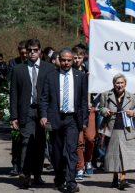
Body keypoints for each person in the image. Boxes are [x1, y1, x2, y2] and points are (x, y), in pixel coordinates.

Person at [39, 48, 88, 193]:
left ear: (72, 60)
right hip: (55, 118)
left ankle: (71, 182)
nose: (66, 63)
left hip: (73, 118)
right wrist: (43, 115)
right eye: (64, 60)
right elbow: (44, 99)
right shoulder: (51, 76)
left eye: (69, 60)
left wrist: (84, 120)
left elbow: (84, 101)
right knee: (56, 152)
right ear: (59, 60)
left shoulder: (80, 76)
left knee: (72, 150)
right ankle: (59, 178)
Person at [10, 39, 55, 188]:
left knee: (41, 144)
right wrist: (14, 116)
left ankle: (38, 175)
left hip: (44, 112)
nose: (32, 52)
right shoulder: (18, 69)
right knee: (26, 141)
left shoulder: (49, 68)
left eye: (35, 50)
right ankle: (25, 175)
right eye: (30, 50)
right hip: (27, 111)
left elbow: (54, 92)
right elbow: (14, 94)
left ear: (40, 51)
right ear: (26, 52)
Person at [98, 73, 135, 190]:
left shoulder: (132, 97)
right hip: (112, 129)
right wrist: (106, 111)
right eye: (117, 83)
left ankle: (123, 179)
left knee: (126, 155)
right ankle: (115, 177)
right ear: (114, 84)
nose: (120, 85)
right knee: (114, 155)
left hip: (127, 129)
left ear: (125, 84)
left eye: (122, 83)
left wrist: (133, 113)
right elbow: (100, 109)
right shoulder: (106, 95)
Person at [72, 46, 96, 180]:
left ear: (83, 57)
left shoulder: (88, 71)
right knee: (79, 141)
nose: (77, 60)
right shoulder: (68, 72)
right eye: (74, 58)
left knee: (90, 138)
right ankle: (79, 167)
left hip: (89, 108)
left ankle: (88, 160)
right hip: (76, 110)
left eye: (79, 58)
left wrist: (92, 102)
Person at [8, 40, 28, 176]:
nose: (25, 56)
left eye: (26, 53)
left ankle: (25, 164)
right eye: (22, 54)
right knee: (16, 137)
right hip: (17, 103)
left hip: (29, 105)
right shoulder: (13, 63)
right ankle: (15, 163)